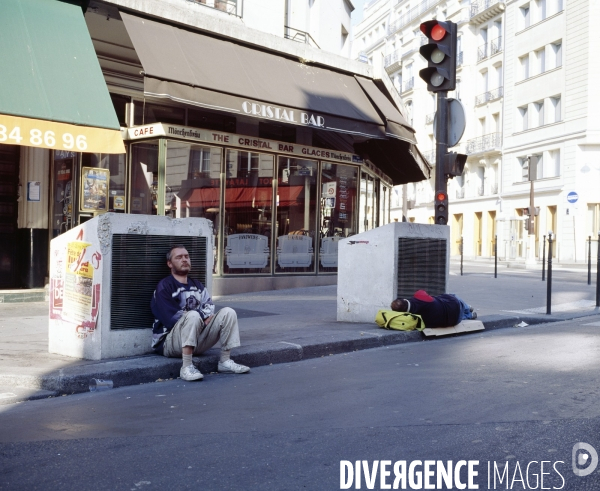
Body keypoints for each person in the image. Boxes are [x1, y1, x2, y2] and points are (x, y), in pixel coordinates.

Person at [151, 245, 250, 381]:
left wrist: (199, 318)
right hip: (169, 343)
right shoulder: (164, 286)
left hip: (196, 339)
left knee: (228, 312)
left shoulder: (197, 285)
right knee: (192, 315)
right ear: (169, 263)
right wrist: (200, 318)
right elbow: (171, 319)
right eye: (179, 257)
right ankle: (186, 367)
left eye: (186, 256)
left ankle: (225, 362)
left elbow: (209, 306)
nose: (184, 260)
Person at [390, 290, 477, 329]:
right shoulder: (419, 295)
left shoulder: (414, 320)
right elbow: (424, 293)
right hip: (456, 305)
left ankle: (469, 315)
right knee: (452, 296)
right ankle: (468, 308)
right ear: (404, 299)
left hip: (454, 321)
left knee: (448, 315)